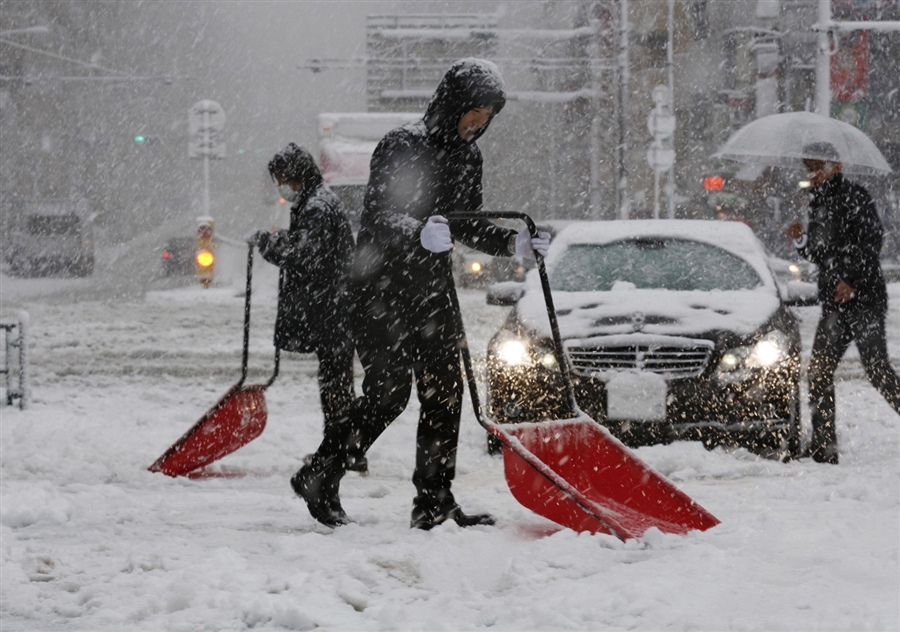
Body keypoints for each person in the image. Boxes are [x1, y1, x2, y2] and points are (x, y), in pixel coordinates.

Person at [292, 58, 550, 529]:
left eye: (489, 116)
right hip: (378, 287)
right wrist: (418, 234)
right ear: (452, 104)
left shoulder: (469, 156)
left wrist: (512, 244)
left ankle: (434, 502)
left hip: (431, 291)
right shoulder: (400, 145)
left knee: (445, 393)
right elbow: (377, 216)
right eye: (475, 111)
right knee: (389, 393)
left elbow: (467, 222)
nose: (480, 123)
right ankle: (321, 473)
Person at [249, 143, 365, 473]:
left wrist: (268, 243)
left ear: (296, 175)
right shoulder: (316, 201)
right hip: (333, 304)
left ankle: (343, 451)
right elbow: (308, 247)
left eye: (283, 179)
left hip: (332, 305)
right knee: (336, 381)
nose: (281, 186)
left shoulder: (317, 205)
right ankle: (346, 449)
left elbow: (305, 254)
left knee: (335, 383)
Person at [786, 142, 900, 464]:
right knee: (819, 371)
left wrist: (852, 280)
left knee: (877, 371)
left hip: (864, 300)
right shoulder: (817, 202)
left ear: (835, 166)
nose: (812, 175)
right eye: (808, 168)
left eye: (816, 167)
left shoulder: (855, 196)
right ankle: (824, 445)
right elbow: (822, 254)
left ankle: (824, 444)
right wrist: (801, 241)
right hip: (835, 303)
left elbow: (870, 243)